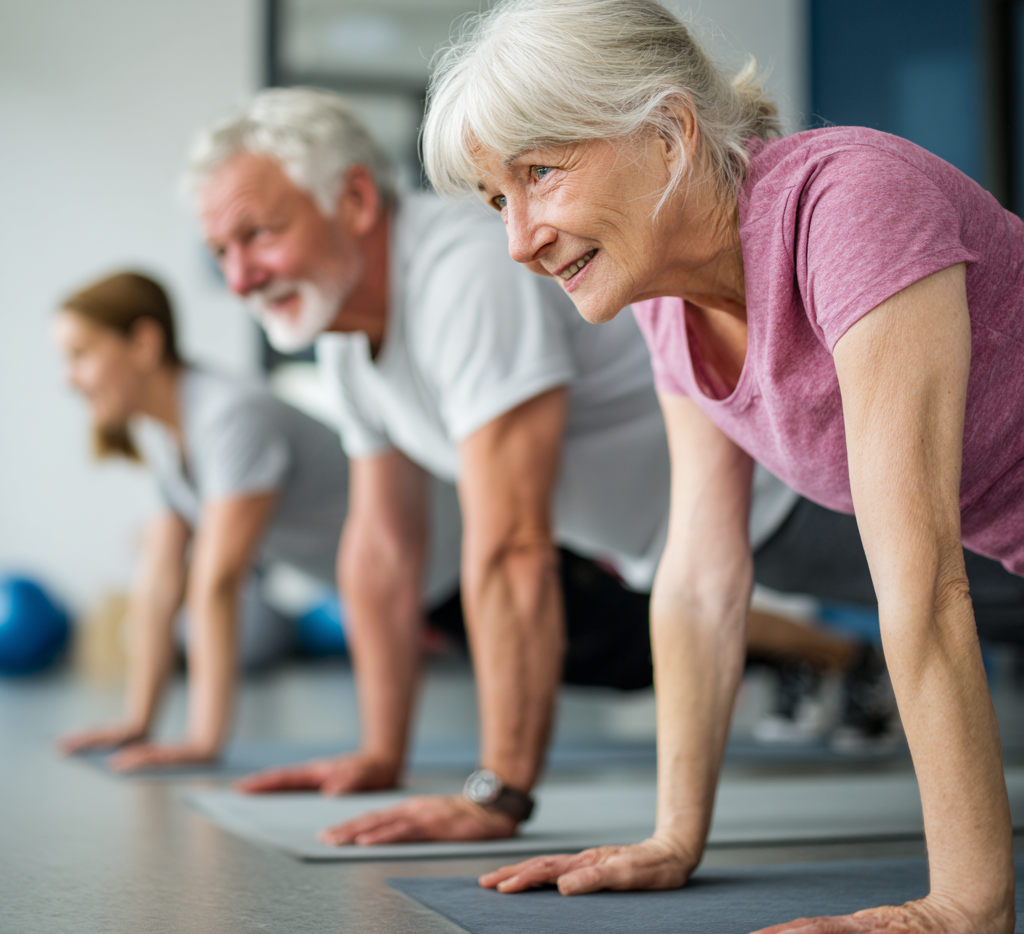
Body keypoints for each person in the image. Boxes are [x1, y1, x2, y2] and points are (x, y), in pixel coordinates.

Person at [420, 0, 1024, 934]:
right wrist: (673, 837)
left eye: (541, 173)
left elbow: (922, 587)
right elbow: (700, 578)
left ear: (667, 131)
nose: (519, 241)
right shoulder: (667, 302)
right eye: (498, 198)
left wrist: (965, 906)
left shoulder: (849, 205)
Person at [184, 89, 882, 844]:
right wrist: (381, 754)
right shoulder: (350, 344)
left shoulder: (463, 273)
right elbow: (384, 552)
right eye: (222, 251)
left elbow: (514, 544)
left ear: (354, 198)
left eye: (257, 235)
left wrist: (498, 794)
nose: (240, 279)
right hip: (702, 544)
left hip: (806, 492)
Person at [54, 271, 356, 770]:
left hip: (447, 576)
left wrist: (203, 741)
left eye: (80, 354)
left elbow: (218, 582)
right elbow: (158, 580)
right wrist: (139, 721)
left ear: (144, 343)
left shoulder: (227, 416)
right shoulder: (162, 431)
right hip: (400, 597)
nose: (69, 377)